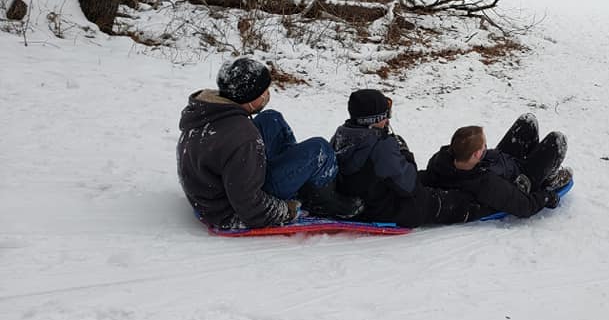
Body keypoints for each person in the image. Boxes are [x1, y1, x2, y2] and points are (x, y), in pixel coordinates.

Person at [177, 57, 362, 229]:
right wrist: (286, 210)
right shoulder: (243, 137)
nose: (267, 94)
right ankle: (322, 202)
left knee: (271, 119)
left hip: (219, 189)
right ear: (250, 96)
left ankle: (298, 180)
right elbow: (249, 205)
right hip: (230, 209)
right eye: (264, 91)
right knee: (319, 149)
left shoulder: (211, 110)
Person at [331, 89, 474, 228]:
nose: (387, 120)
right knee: (447, 202)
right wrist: (405, 154)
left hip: (361, 199)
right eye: (385, 115)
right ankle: (480, 206)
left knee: (427, 179)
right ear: (374, 119)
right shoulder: (380, 144)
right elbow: (408, 185)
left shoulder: (341, 135)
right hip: (386, 209)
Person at [422, 115, 572, 219]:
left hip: (499, 162)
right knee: (557, 141)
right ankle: (547, 181)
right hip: (521, 180)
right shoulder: (486, 185)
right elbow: (524, 207)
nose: (486, 147)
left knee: (527, 122)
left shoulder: (442, 160)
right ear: (475, 154)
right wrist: (546, 197)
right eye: (484, 147)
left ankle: (533, 161)